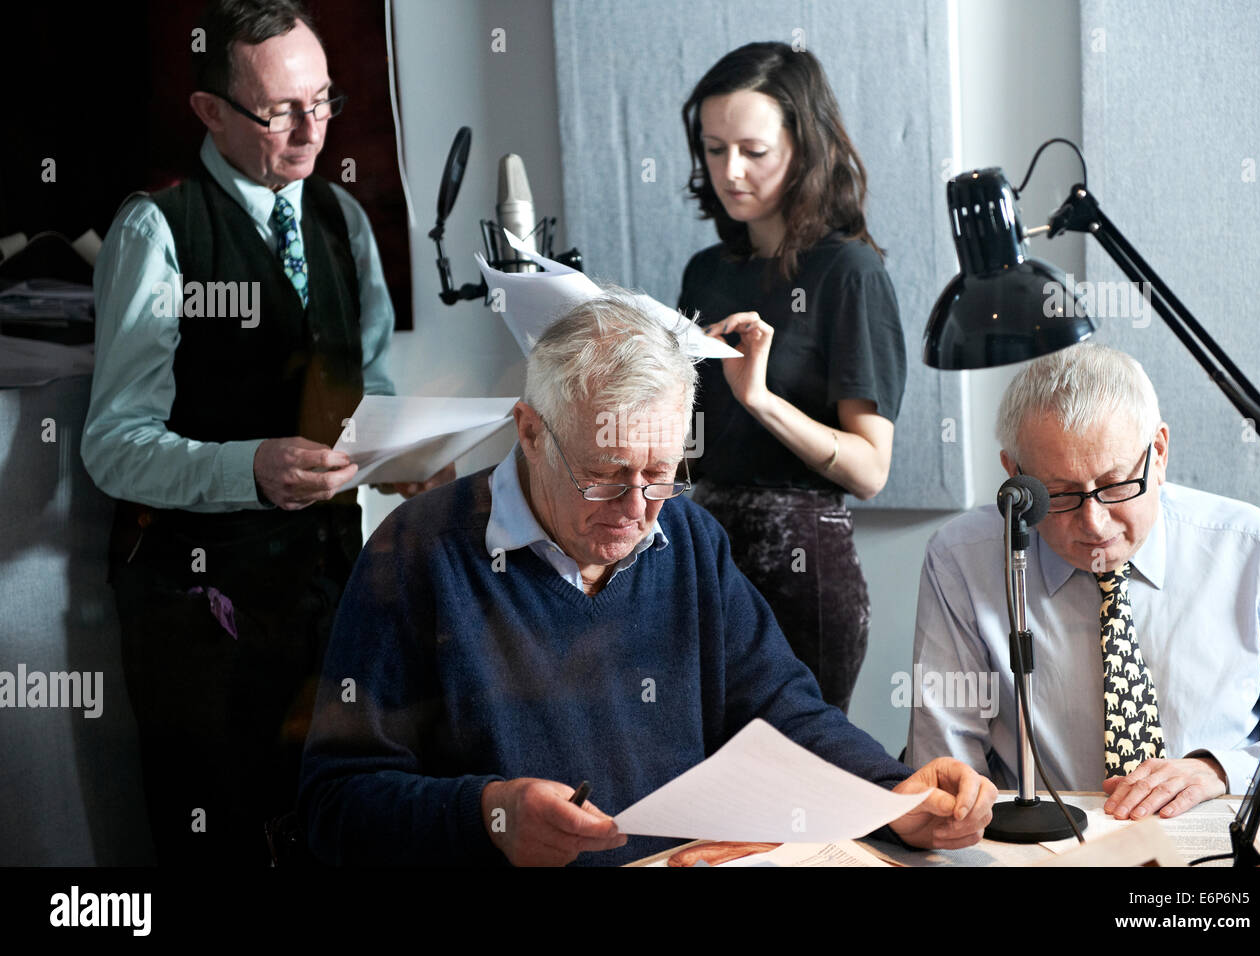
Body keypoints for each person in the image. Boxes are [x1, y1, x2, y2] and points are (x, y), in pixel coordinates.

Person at [299, 295, 996, 866]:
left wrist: (891, 793)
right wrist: (488, 815)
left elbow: (781, 709)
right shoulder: (418, 552)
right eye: (603, 475)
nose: (637, 511)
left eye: (660, 473)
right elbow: (338, 806)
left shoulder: (687, 539)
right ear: (530, 432)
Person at [81, 0, 447, 864]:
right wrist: (251, 469)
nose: (310, 129)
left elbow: (372, 398)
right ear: (210, 111)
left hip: (327, 592)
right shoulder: (157, 229)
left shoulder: (344, 222)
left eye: (324, 100)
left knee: (337, 821)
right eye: (280, 110)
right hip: (199, 612)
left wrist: (400, 459)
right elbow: (112, 445)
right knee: (225, 837)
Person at [908, 343, 1260, 820]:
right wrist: (961, 815)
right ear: (1015, 475)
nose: (1094, 523)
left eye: (1115, 485)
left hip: (1217, 838)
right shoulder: (962, 559)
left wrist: (1220, 771)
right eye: (1059, 493)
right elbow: (945, 759)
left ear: (1158, 452)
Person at [677, 42, 906, 713]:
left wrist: (760, 400)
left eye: (753, 150)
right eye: (714, 150)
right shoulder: (706, 272)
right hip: (703, 554)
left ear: (803, 148)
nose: (730, 171)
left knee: (799, 786)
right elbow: (688, 449)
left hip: (800, 566)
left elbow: (869, 470)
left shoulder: (850, 274)